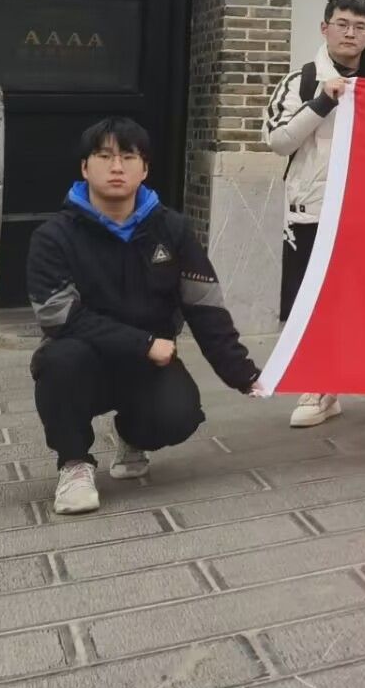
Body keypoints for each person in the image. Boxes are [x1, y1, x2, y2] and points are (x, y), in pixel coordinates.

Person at [28, 119, 261, 516]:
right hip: (86, 358)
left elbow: (204, 306)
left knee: (179, 415)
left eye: (128, 157)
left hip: (150, 363)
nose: (116, 167)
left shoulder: (173, 229)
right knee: (58, 362)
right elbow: (60, 316)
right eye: (104, 156)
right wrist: (144, 343)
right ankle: (74, 463)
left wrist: (244, 374)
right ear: (85, 167)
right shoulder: (53, 237)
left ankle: (132, 435)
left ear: (145, 168)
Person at [265, 0, 365, 429]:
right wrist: (322, 102)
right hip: (311, 212)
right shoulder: (301, 81)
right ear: (325, 27)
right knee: (313, 305)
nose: (350, 33)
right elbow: (278, 141)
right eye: (342, 24)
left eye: (359, 27)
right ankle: (321, 387)